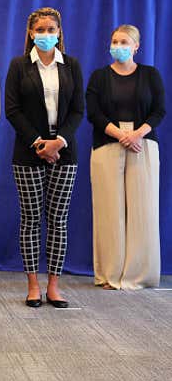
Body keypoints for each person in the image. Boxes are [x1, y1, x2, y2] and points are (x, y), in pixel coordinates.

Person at [5, 7, 84, 308]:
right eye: (41, 30)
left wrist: (58, 142)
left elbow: (78, 110)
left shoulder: (72, 66)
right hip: (28, 152)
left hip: (65, 151)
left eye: (52, 30)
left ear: (59, 32)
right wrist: (40, 143)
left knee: (58, 221)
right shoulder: (19, 65)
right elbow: (12, 110)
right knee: (31, 219)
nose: (46, 35)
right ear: (31, 33)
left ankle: (54, 285)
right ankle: (33, 285)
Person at [86, 24, 165, 290]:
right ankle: (110, 275)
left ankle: (139, 275)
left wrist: (138, 134)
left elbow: (159, 111)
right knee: (110, 212)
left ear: (136, 47)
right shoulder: (98, 77)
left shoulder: (150, 75)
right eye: (115, 41)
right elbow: (94, 114)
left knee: (142, 211)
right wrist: (121, 135)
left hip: (143, 145)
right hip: (108, 144)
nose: (118, 46)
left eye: (124, 42)